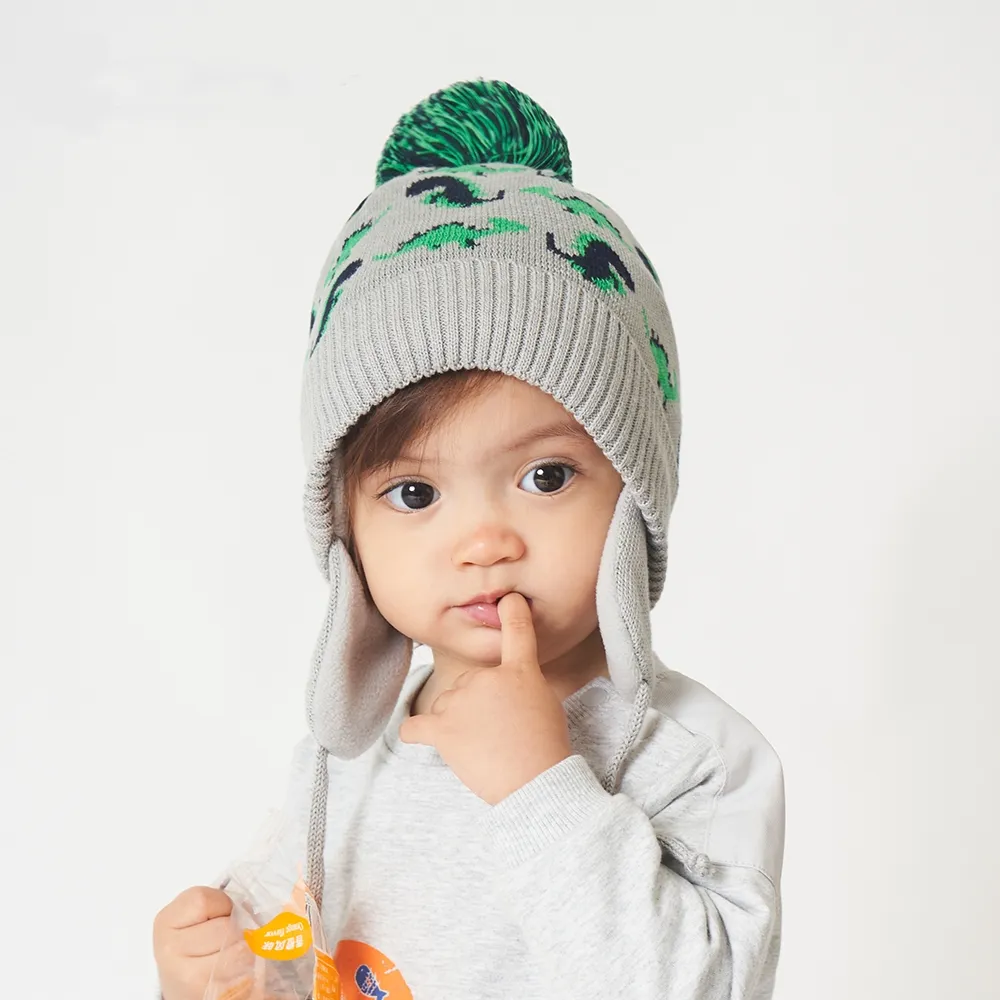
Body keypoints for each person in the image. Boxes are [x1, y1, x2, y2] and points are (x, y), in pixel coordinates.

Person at [153, 77, 786, 1000]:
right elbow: (294, 958)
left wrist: (540, 785)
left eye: (546, 478)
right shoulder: (351, 760)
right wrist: (221, 972)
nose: (484, 541)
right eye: (414, 493)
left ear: (636, 493)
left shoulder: (695, 761)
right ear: (346, 536)